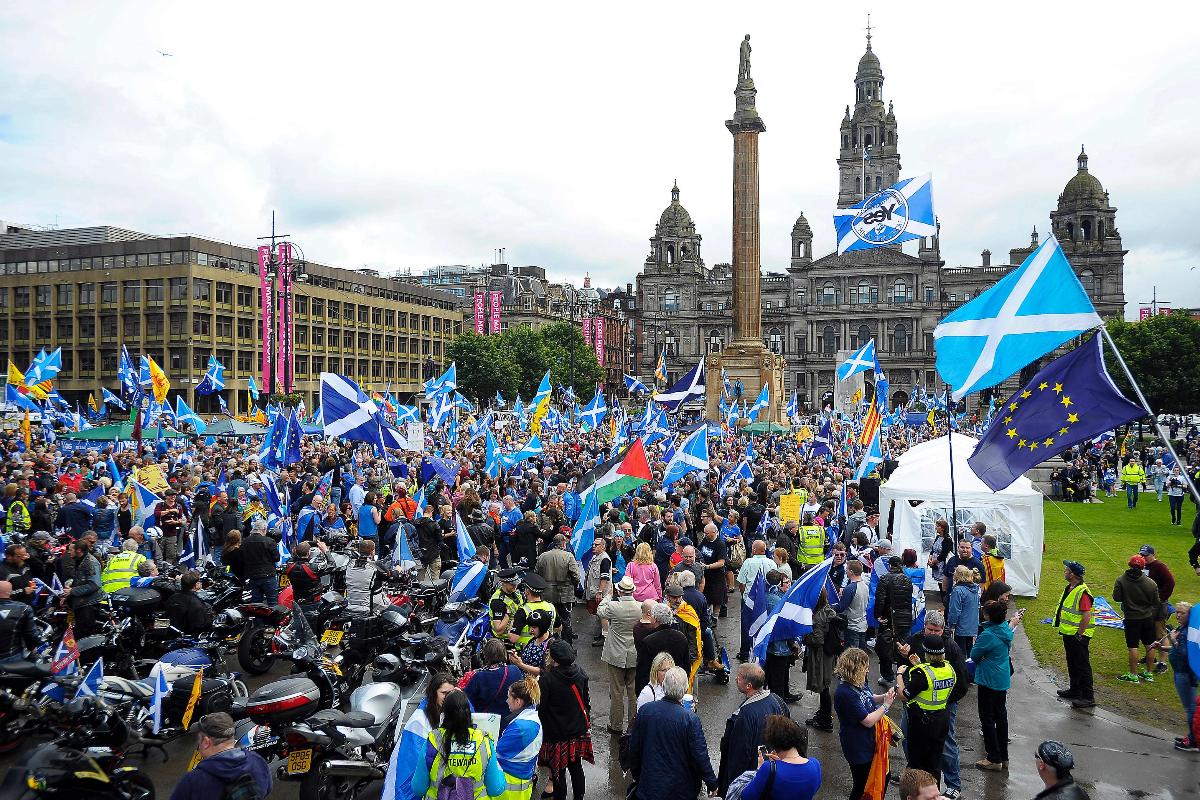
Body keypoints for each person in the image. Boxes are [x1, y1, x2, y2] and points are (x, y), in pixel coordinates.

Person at [627, 666, 718, 800]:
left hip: (649, 787)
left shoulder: (646, 711)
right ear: (685, 689)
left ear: (664, 686)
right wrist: (712, 783)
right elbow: (700, 756)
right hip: (681, 790)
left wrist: (638, 776)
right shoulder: (690, 720)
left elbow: (634, 749)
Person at [411, 690, 504, 800]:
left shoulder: (432, 741)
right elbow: (495, 789)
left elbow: (418, 788)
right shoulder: (484, 741)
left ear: (444, 713)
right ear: (468, 712)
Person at [717, 663, 790, 796]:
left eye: (739, 678)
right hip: (773, 771)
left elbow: (739, 756)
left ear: (748, 686)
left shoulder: (745, 715)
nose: (735, 679)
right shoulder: (777, 699)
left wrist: (732, 788)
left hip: (752, 778)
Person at [833, 647, 896, 800]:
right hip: (858, 747)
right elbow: (867, 721)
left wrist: (884, 697)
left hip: (870, 742)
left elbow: (869, 697)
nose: (868, 670)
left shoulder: (858, 682)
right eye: (866, 667)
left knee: (884, 776)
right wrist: (886, 705)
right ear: (855, 669)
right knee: (862, 786)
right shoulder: (844, 693)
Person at [385, 673, 457, 800]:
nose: (448, 697)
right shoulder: (419, 721)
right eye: (444, 693)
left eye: (451, 693)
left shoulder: (450, 710)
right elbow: (411, 766)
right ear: (433, 693)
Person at [168, 712, 271, 800]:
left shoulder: (194, 780)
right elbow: (267, 789)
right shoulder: (257, 761)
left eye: (199, 741)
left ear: (206, 742)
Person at [896, 634, 956, 784]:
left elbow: (904, 695)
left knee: (917, 761)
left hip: (922, 722)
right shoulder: (949, 669)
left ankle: (918, 790)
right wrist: (918, 665)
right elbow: (933, 681)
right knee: (934, 761)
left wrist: (899, 675)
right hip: (942, 719)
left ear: (926, 652)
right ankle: (933, 789)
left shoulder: (921, 674)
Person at [537, 640, 592, 800]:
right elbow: (586, 702)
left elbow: (541, 707)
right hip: (578, 730)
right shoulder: (580, 672)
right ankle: (579, 797)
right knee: (576, 768)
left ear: (553, 658)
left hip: (556, 734)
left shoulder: (547, 679)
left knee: (558, 772)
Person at [971, 601, 1016, 771]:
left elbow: (974, 655)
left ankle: (993, 757)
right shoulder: (1005, 629)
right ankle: (1003, 756)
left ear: (988, 616)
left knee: (987, 718)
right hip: (1001, 678)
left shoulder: (988, 634)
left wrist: (980, 655)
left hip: (988, 679)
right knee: (1000, 716)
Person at [737, 715, 821, 800]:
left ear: (773, 743)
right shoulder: (815, 764)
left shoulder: (768, 769)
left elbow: (746, 796)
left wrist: (758, 770)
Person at [598, 575, 642, 733]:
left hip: (616, 653)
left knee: (616, 691)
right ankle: (633, 724)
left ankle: (616, 725)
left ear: (620, 591)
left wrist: (608, 596)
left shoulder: (613, 606)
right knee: (633, 691)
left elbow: (600, 610)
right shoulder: (640, 607)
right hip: (634, 652)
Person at [1157, 602, 1200, 751]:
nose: (1178, 615)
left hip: (1185, 674)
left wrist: (1173, 639)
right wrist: (1162, 647)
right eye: (1177, 612)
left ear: (1190, 615)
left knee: (1191, 709)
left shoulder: (1189, 632)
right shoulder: (1183, 629)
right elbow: (1177, 650)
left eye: (1182, 613)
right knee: (1189, 707)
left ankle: (1194, 741)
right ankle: (1192, 736)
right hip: (1180, 672)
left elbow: (1184, 652)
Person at [1112, 554, 1161, 683]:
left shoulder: (1121, 580)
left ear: (1129, 565)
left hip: (1131, 619)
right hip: (1147, 618)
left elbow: (1117, 598)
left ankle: (1133, 674)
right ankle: (1149, 673)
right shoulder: (1151, 583)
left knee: (1133, 646)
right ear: (1143, 567)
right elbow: (1156, 602)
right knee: (1149, 645)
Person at [1054, 560, 1095, 709]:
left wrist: (1080, 633)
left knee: (1082, 665)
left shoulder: (1082, 592)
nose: (1064, 571)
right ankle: (1075, 690)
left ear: (1073, 575)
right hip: (1069, 633)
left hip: (1078, 635)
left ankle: (1088, 697)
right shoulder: (1070, 587)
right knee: (1072, 662)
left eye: (1066, 570)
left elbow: (1086, 615)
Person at [495, 676, 543, 800]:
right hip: (523, 784)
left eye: (508, 697)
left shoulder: (520, 727)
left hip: (510, 788)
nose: (506, 701)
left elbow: (495, 753)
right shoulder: (532, 718)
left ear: (518, 702)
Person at [875, 555, 914, 686]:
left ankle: (887, 676)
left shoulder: (884, 579)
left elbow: (880, 600)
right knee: (903, 648)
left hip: (889, 619)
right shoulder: (907, 580)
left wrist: (878, 615)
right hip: (906, 618)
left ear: (889, 565)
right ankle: (902, 676)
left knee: (885, 647)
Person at [803, 589, 839, 732]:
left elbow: (817, 639)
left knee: (823, 686)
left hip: (820, 655)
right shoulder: (829, 610)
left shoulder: (818, 616)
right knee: (825, 685)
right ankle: (824, 715)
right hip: (829, 654)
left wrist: (805, 636)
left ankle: (825, 720)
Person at [535, 535, 581, 643]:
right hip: (565, 594)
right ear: (564, 544)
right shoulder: (568, 556)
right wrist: (573, 586)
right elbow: (576, 576)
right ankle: (567, 648)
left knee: (548, 621)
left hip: (546, 594)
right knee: (565, 621)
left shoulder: (543, 556)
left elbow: (536, 574)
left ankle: (549, 646)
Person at [635, 603, 690, 692]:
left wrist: (640, 693)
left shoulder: (648, 641)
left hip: (655, 689)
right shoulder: (681, 637)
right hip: (676, 686)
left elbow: (642, 672)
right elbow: (686, 666)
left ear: (655, 619)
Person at [1138, 544, 1175, 674]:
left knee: (1160, 633)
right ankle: (1150, 656)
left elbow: (1170, 583)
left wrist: (1160, 598)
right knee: (1147, 631)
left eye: (1146, 555)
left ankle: (1162, 662)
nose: (1143, 557)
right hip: (1145, 605)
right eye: (1141, 555)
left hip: (1158, 606)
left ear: (1153, 555)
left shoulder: (1160, 566)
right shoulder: (1142, 566)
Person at [464, 639, 524, 718]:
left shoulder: (478, 677)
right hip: (512, 720)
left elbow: (466, 701)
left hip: (486, 722)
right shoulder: (514, 670)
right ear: (504, 653)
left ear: (485, 655)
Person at [62, 539, 104, 637]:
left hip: (88, 604)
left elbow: (94, 584)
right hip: (80, 603)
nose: (68, 552)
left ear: (79, 550)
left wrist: (72, 591)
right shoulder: (79, 560)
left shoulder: (90, 563)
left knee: (84, 633)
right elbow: (82, 580)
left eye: (71, 550)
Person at [833, 559, 869, 650]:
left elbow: (841, 607)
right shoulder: (865, 586)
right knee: (860, 654)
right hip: (863, 625)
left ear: (851, 572)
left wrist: (829, 606)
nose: (846, 571)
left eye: (847, 569)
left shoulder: (850, 588)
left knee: (852, 656)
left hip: (852, 626)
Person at [242, 518, 279, 604]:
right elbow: (276, 558)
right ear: (264, 529)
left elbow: (242, 558)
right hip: (268, 575)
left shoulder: (245, 542)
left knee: (256, 605)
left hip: (253, 576)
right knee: (272, 603)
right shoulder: (269, 541)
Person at [166, 570, 214, 635]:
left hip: (172, 633)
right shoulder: (197, 604)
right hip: (189, 637)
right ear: (195, 585)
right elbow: (200, 626)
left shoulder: (172, 598)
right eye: (199, 581)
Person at [944, 566, 980, 654]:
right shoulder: (975, 590)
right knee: (969, 652)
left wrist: (951, 625)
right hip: (972, 627)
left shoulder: (957, 590)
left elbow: (954, 611)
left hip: (960, 628)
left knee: (959, 654)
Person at [0, 581, 38, 662]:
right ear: (10, 592)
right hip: (12, 658)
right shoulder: (24, 608)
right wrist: (32, 648)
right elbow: (30, 635)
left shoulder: (24, 609)